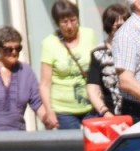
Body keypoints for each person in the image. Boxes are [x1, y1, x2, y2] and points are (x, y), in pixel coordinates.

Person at [0, 26, 57, 131]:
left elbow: (37, 103)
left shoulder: (26, 71)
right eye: (8, 49)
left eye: (18, 48)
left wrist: (47, 119)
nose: (14, 52)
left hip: (17, 138)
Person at [40, 0, 99, 129]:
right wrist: (49, 111)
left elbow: (96, 69)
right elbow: (45, 84)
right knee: (74, 147)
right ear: (57, 23)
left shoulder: (89, 34)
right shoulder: (49, 43)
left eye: (73, 20)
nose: (70, 26)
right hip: (64, 110)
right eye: (64, 22)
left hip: (91, 105)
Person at [87, 3, 130, 118]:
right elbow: (92, 88)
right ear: (109, 26)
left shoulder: (137, 49)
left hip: (138, 113)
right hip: (111, 115)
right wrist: (104, 111)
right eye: (118, 27)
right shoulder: (98, 53)